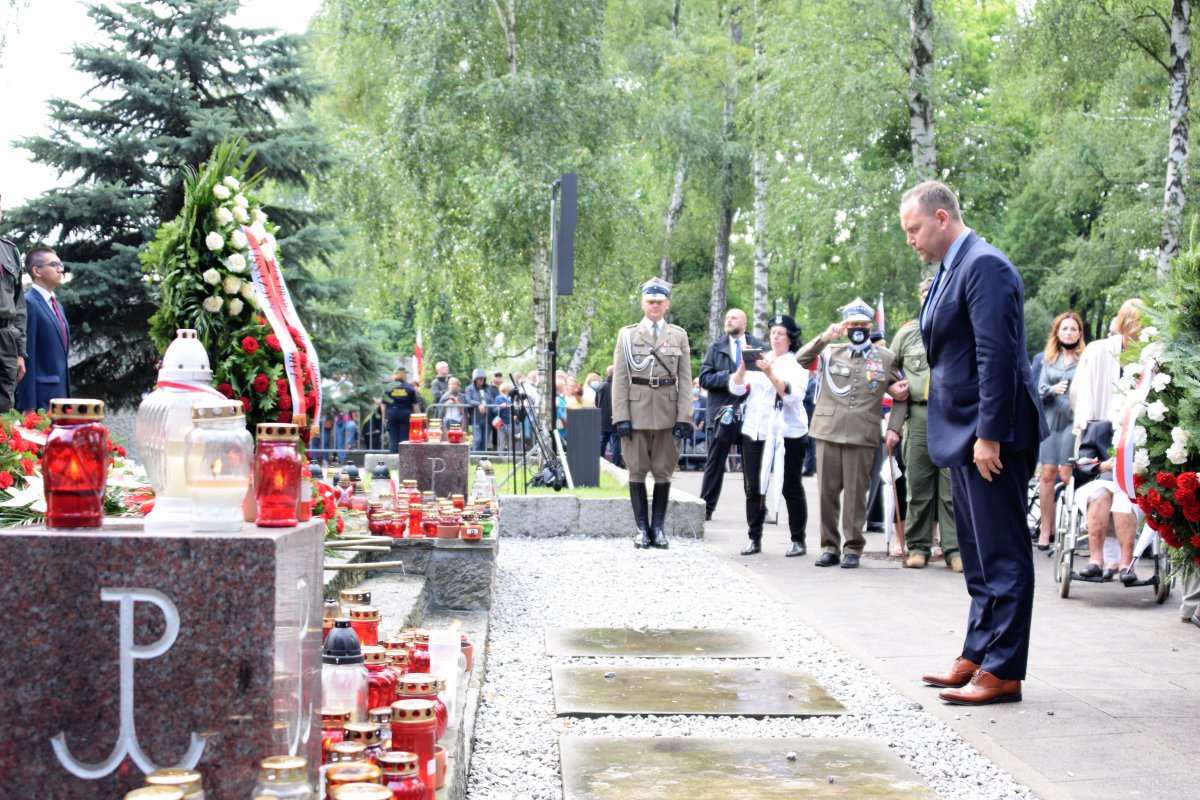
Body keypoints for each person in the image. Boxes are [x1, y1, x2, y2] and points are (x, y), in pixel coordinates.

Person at [900, 180, 1047, 707]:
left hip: (991, 435)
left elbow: (996, 356)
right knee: (979, 555)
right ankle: (978, 651)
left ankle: (1003, 670)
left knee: (1002, 551)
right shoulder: (950, 268)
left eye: (915, 229)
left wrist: (989, 435)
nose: (911, 239)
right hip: (961, 431)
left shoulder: (984, 265)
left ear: (942, 218)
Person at [797, 297, 906, 569]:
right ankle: (829, 547)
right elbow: (802, 358)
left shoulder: (884, 358)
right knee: (827, 494)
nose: (858, 329)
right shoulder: (831, 351)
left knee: (856, 496)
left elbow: (902, 394)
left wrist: (894, 427)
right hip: (828, 430)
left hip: (862, 433)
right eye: (853, 324)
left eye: (863, 325)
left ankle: (853, 548)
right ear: (845, 327)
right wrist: (826, 336)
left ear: (870, 327)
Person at [612, 277, 693, 550]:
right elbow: (620, 378)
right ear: (642, 303)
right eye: (650, 301)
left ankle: (657, 529)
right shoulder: (627, 335)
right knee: (636, 470)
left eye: (659, 302)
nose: (655, 306)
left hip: (668, 411)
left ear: (667, 304)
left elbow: (685, 378)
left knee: (663, 471)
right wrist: (620, 416)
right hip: (636, 411)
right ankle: (641, 530)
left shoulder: (678, 335)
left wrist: (685, 417)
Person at [1069, 300, 1144, 578]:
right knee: (1101, 493)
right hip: (1100, 465)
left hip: (1130, 474)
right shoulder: (1098, 353)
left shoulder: (1150, 359)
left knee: (1123, 498)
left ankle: (1125, 564)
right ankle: (1096, 560)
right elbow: (1079, 395)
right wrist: (1104, 465)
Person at [890, 277, 960, 571]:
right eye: (924, 293)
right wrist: (893, 388)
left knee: (951, 488)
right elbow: (887, 366)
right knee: (917, 484)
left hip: (952, 416)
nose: (929, 297)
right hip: (919, 414)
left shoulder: (960, 329)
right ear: (919, 298)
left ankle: (954, 549)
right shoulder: (908, 333)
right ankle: (918, 547)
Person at [730, 314, 809, 557]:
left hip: (788, 432)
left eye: (781, 333)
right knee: (753, 487)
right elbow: (736, 388)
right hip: (755, 429)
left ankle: (798, 539)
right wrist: (743, 367)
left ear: (790, 338)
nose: (775, 337)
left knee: (790, 486)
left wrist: (770, 374)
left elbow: (793, 397)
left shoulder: (796, 365)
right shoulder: (761, 358)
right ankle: (754, 537)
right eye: (773, 333)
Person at [698, 308, 766, 520]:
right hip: (722, 413)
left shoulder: (760, 347)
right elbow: (704, 379)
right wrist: (732, 376)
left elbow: (768, 377)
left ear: (744, 323)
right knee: (715, 463)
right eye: (727, 318)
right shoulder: (716, 347)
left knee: (753, 465)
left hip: (751, 413)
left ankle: (758, 510)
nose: (728, 320)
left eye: (733, 318)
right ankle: (705, 509)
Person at [1035, 311, 1085, 550]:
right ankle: (1046, 529)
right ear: (1057, 332)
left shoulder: (1084, 360)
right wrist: (1051, 390)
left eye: (1073, 329)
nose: (1069, 332)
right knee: (1047, 473)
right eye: (1064, 328)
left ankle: (1072, 528)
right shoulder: (1048, 360)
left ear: (1079, 333)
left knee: (1067, 474)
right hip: (1050, 418)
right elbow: (1038, 390)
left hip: (1072, 420)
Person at [16, 246, 70, 412]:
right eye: (54, 265)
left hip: (60, 396)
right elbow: (27, 356)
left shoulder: (57, 306)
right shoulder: (29, 303)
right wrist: (29, 407)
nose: (60, 269)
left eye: (60, 264)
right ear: (37, 271)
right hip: (40, 400)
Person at [0, 195, 28, 413]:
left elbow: (19, 306)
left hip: (5, 338)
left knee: (4, 405)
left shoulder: (9, 251)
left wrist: (20, 353)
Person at [379, 366, 423, 451]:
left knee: (393, 439)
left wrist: (384, 417)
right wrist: (415, 417)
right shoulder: (410, 387)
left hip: (392, 414)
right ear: (404, 375)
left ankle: (393, 457)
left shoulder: (388, 387)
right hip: (405, 414)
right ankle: (403, 457)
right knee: (404, 439)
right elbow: (415, 405)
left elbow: (383, 404)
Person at [594, 365, 620, 466]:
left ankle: (599, 462)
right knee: (616, 441)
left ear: (607, 373)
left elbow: (597, 403)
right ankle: (616, 463)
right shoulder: (619, 387)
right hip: (616, 417)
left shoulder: (600, 386)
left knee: (602, 441)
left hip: (603, 418)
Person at [464, 368, 495, 451]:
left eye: (483, 378)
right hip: (476, 418)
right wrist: (478, 404)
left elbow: (492, 400)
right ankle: (474, 455)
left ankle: (482, 457)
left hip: (487, 417)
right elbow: (468, 400)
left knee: (485, 441)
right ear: (475, 379)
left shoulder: (488, 388)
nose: (481, 380)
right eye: (479, 378)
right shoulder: (469, 389)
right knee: (478, 439)